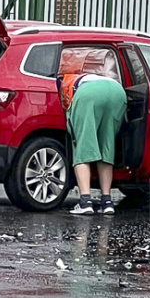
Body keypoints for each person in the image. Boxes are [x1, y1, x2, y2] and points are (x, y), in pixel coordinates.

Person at [59, 71, 127, 215]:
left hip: (89, 94)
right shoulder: (91, 76)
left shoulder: (64, 83)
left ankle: (85, 202)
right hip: (117, 92)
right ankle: (107, 203)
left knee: (81, 147)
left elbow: (67, 112)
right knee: (107, 147)